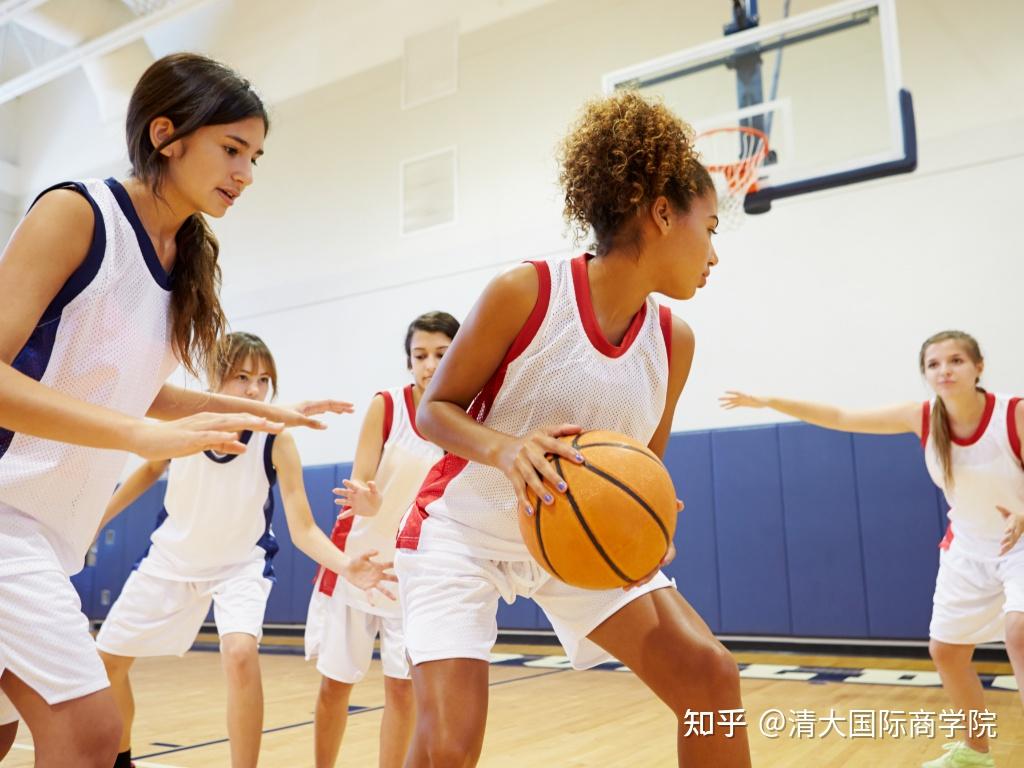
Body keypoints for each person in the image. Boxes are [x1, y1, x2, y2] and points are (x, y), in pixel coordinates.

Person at [0, 53, 349, 767]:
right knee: (92, 729)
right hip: (6, 515)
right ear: (166, 134)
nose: (246, 173)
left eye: (254, 156)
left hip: (43, 529)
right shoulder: (77, 213)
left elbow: (124, 383)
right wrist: (141, 433)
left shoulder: (182, 254)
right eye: (232, 149)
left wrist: (257, 412)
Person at [394, 90, 750, 767]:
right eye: (710, 228)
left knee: (710, 679)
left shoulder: (674, 342)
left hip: (572, 536)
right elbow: (432, 410)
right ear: (662, 213)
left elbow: (642, 461)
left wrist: (646, 519)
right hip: (464, 532)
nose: (713, 254)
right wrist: (505, 449)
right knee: (447, 746)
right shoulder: (526, 292)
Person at [721, 329, 1024, 768]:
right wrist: (770, 401)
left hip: (1020, 544)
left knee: (1018, 632)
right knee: (947, 652)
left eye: (956, 361)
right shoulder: (923, 417)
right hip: (968, 549)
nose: (945, 371)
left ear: (979, 367)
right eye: (934, 364)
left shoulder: (1012, 415)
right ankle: (975, 754)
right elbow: (842, 414)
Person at [95, 332, 394, 768]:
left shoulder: (278, 441)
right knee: (107, 663)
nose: (254, 390)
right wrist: (99, 519)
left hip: (239, 566)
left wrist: (347, 564)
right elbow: (148, 470)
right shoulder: (189, 422)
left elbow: (304, 528)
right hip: (171, 559)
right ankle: (122, 759)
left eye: (263, 380)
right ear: (216, 378)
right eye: (242, 377)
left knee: (239, 652)